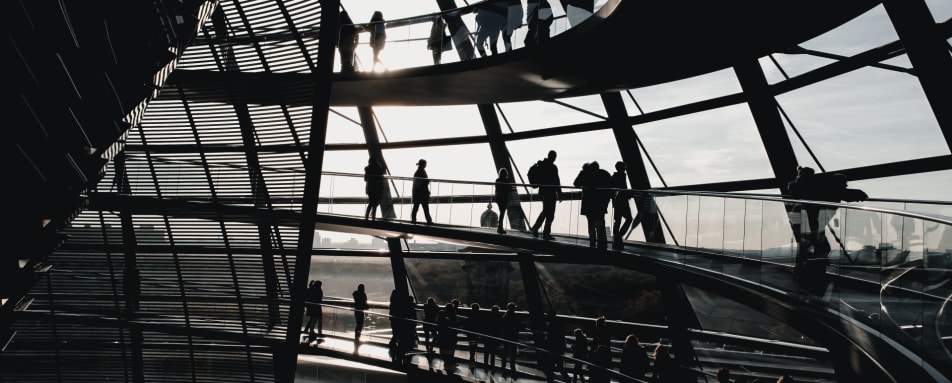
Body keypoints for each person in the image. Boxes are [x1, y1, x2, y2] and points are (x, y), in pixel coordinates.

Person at [574, 161, 612, 249]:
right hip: (601, 203)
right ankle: (602, 243)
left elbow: (576, 183)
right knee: (600, 223)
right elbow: (610, 188)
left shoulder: (586, 174)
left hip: (588, 203)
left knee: (591, 223)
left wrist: (582, 172)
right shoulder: (604, 174)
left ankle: (592, 242)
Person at [530, 150, 563, 241]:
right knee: (550, 214)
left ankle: (538, 229)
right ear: (553, 157)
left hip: (543, 191)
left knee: (546, 211)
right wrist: (560, 193)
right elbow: (556, 181)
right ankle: (544, 232)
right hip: (550, 192)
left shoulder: (542, 165)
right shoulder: (553, 167)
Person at [610, 161, 633, 249]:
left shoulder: (615, 176)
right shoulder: (621, 176)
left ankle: (617, 239)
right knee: (628, 219)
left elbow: (613, 190)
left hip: (618, 201)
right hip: (622, 201)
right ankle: (618, 238)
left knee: (618, 221)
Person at [437, 302, 460, 369]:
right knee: (451, 349)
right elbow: (455, 325)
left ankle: (447, 362)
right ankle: (450, 362)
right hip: (451, 335)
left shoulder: (444, 315)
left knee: (445, 349)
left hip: (444, 335)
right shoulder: (453, 315)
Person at [411, 159, 433, 224]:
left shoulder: (417, 172)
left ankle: (413, 220)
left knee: (416, 207)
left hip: (417, 193)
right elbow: (423, 183)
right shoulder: (422, 172)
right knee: (425, 208)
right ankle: (429, 221)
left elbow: (418, 184)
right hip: (422, 193)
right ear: (423, 164)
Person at [501, 302, 522, 371]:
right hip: (513, 336)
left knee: (505, 352)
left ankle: (503, 366)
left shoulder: (505, 316)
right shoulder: (515, 317)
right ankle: (512, 367)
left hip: (506, 336)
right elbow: (519, 326)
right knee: (513, 353)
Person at [364, 156, 386, 220]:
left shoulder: (367, 169)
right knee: (375, 203)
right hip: (377, 188)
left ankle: (367, 216)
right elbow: (381, 177)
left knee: (371, 202)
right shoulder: (379, 169)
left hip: (370, 188)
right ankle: (373, 216)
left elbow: (365, 179)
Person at [495, 167, 514, 234]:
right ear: (506, 173)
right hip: (505, 198)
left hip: (499, 198)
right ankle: (500, 228)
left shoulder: (497, 180)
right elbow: (510, 190)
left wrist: (496, 198)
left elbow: (497, 190)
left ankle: (500, 227)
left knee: (501, 213)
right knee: (502, 213)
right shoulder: (507, 181)